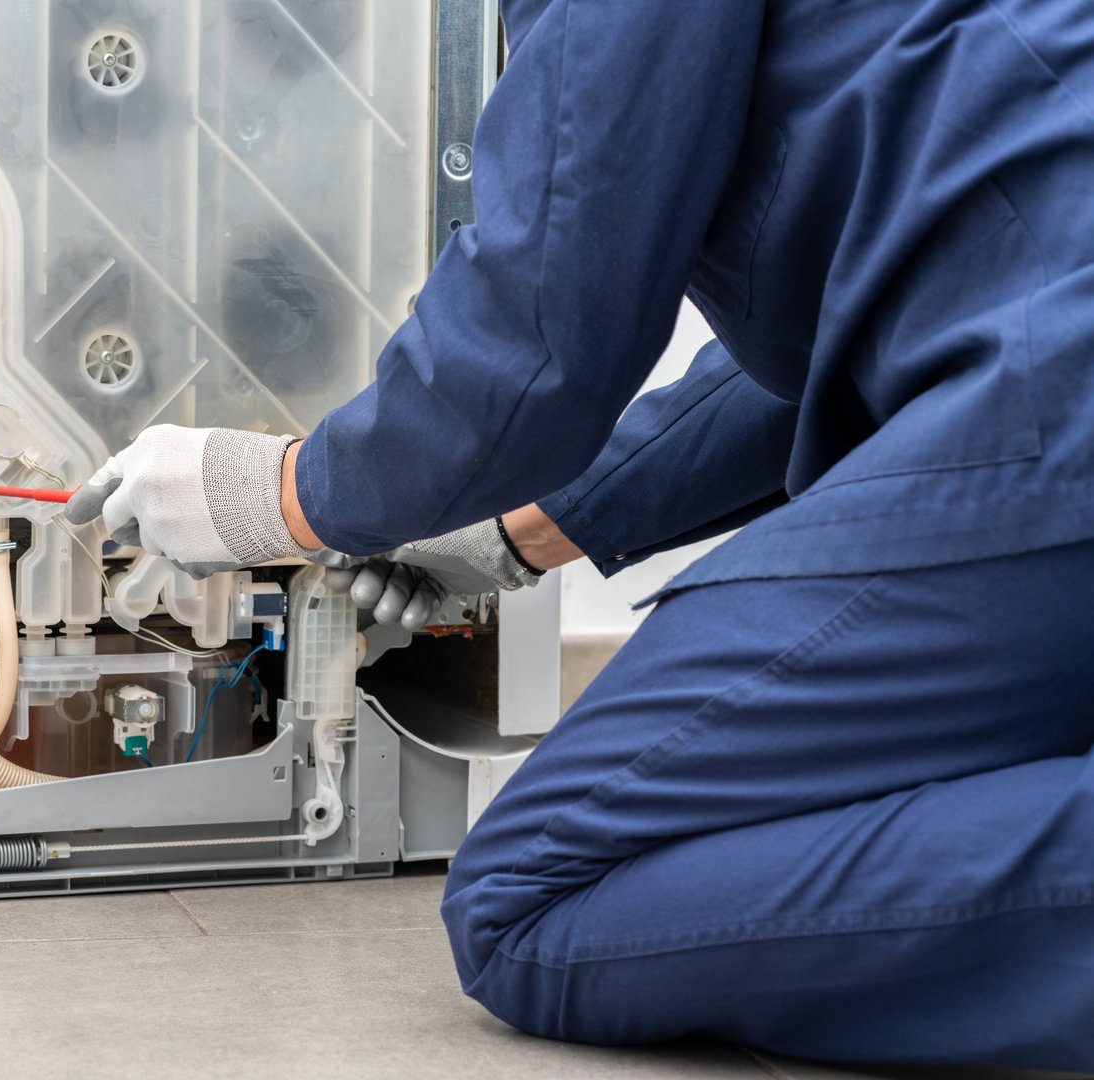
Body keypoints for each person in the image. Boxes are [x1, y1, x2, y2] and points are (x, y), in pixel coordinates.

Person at [66, 0, 1094, 1069]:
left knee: (529, 901)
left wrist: (279, 493)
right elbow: (835, 336)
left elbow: (539, 323)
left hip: (1049, 398)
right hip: (1042, 351)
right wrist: (503, 533)